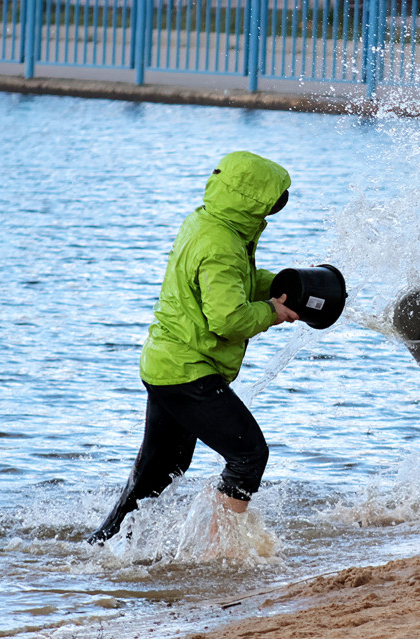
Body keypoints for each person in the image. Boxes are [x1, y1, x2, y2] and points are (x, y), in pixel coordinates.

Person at [87, 151, 299, 545]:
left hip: (165, 363)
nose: (277, 208)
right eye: (274, 201)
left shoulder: (206, 223)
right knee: (249, 455)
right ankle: (220, 552)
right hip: (188, 370)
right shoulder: (223, 245)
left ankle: (103, 546)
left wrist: (283, 286)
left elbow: (228, 285)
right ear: (253, 201)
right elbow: (228, 319)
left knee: (161, 470)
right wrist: (272, 312)